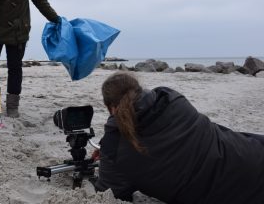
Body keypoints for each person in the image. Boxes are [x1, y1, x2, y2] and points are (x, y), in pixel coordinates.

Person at [93, 71, 264, 203]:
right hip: (251, 154)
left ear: (111, 108)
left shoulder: (115, 148)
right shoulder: (171, 98)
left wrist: (109, 157)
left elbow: (111, 194)